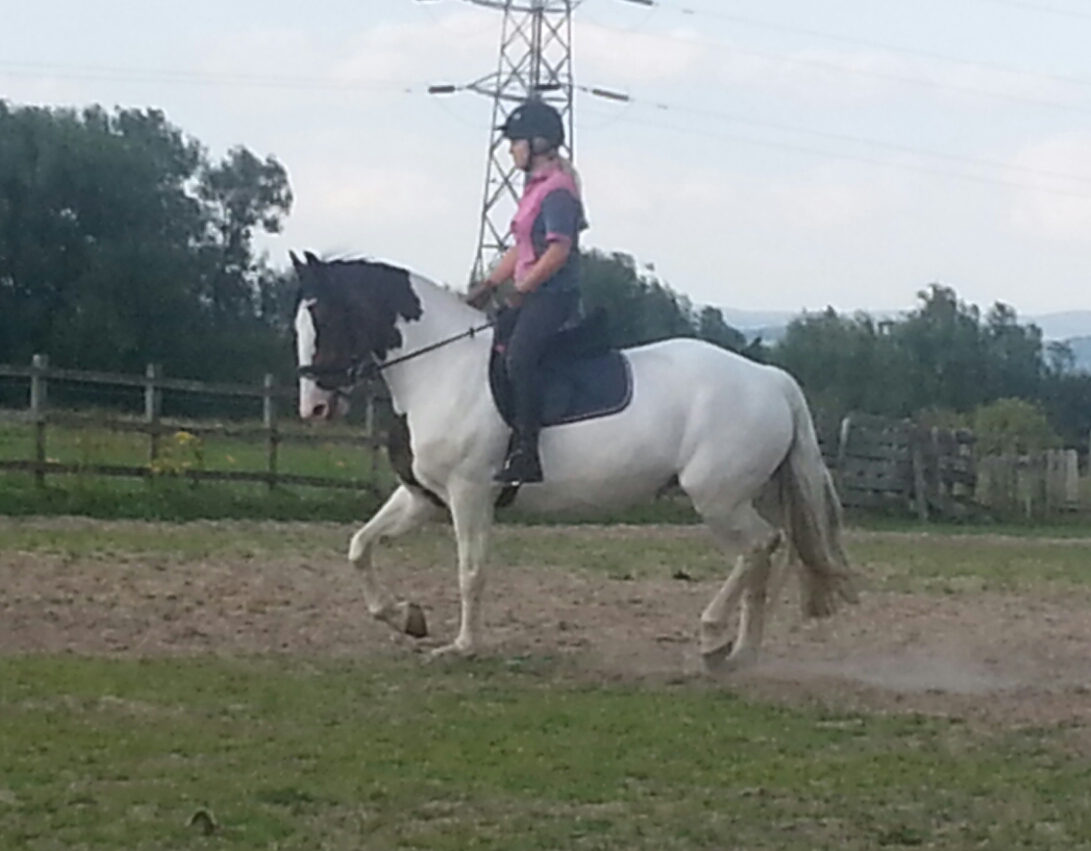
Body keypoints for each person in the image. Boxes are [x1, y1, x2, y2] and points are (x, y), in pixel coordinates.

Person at [467, 98, 588, 486]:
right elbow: (521, 248)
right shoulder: (535, 189)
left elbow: (558, 251)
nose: (510, 150)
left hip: (553, 295)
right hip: (534, 292)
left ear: (537, 143)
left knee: (519, 358)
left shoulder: (558, 191)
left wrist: (522, 287)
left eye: (514, 142)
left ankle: (527, 453)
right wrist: (489, 285)